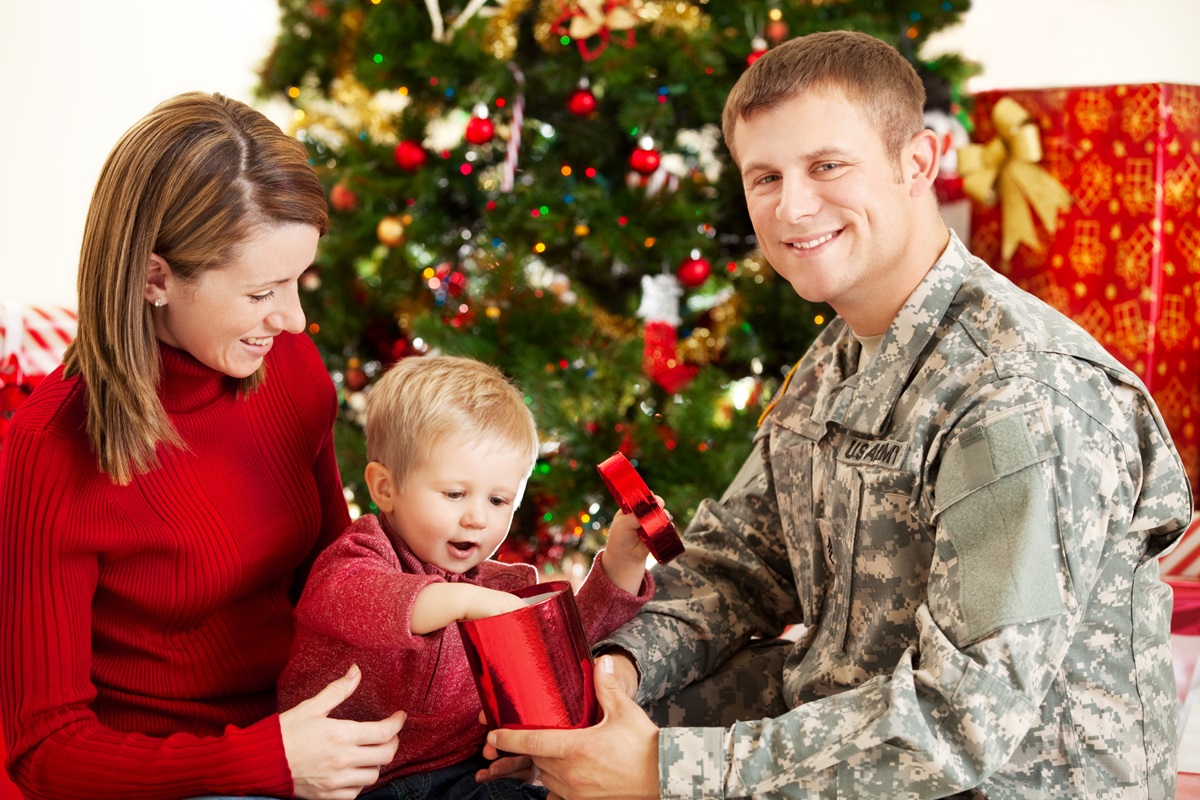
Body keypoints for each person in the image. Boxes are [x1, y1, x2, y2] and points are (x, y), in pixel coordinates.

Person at [487, 30, 1194, 799]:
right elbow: (739, 565)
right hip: (853, 747)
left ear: (917, 163)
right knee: (544, 753)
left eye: (827, 166)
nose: (792, 206)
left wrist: (668, 772)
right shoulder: (837, 361)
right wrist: (621, 668)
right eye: (765, 177)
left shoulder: (1017, 393)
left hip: (1006, 783)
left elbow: (964, 719)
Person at [0, 92, 406, 800]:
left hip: (307, 735)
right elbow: (44, 749)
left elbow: (337, 580)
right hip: (175, 777)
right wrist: (266, 762)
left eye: (299, 281)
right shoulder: (49, 452)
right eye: (263, 292)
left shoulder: (288, 368)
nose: (295, 318)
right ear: (156, 278)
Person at [277, 354, 657, 800]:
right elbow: (354, 598)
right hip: (350, 779)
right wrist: (463, 603)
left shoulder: (502, 586)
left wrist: (623, 563)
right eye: (455, 494)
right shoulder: (361, 555)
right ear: (385, 489)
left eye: (499, 501)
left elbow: (569, 645)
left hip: (464, 778)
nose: (477, 518)